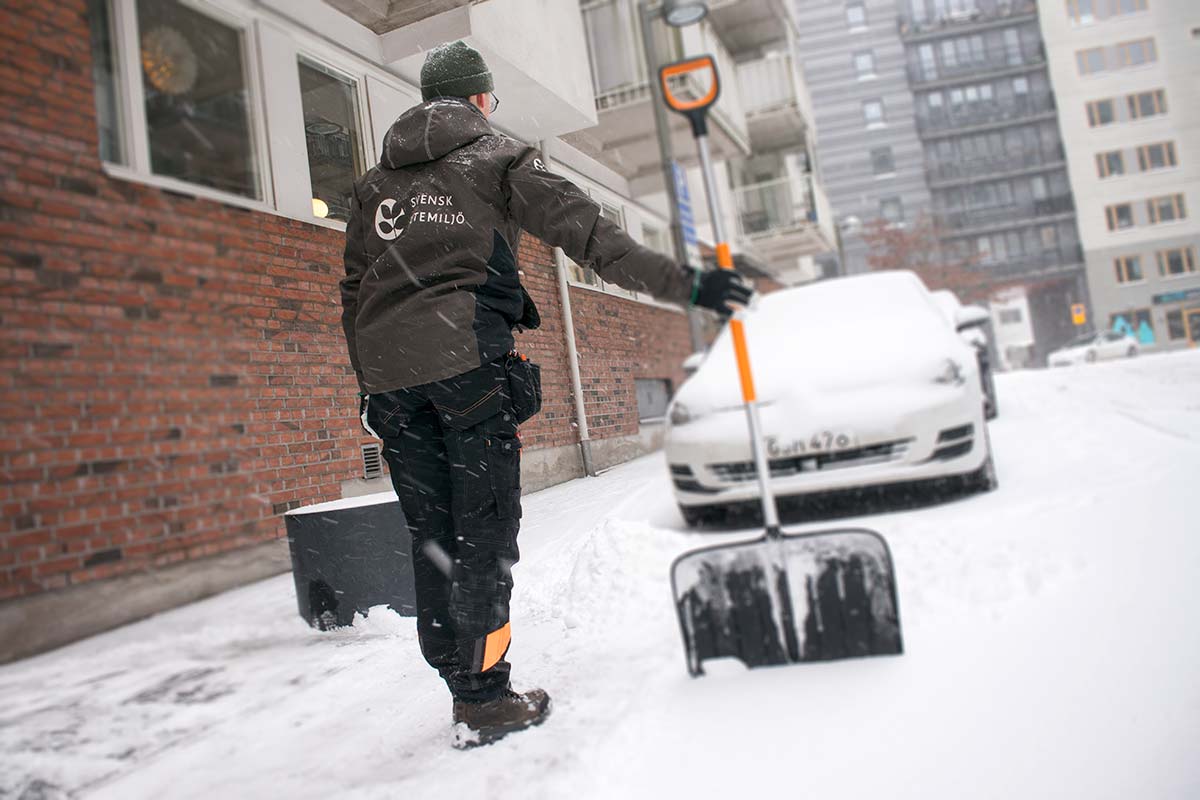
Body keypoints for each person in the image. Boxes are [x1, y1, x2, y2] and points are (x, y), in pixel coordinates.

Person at [339, 40, 752, 748]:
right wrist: (687, 284)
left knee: (434, 536)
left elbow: (353, 289)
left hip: (392, 385)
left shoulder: (374, 185)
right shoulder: (497, 157)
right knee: (485, 531)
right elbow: (592, 236)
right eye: (489, 97)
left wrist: (371, 379)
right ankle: (485, 697)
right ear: (478, 99)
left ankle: (462, 679)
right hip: (465, 365)